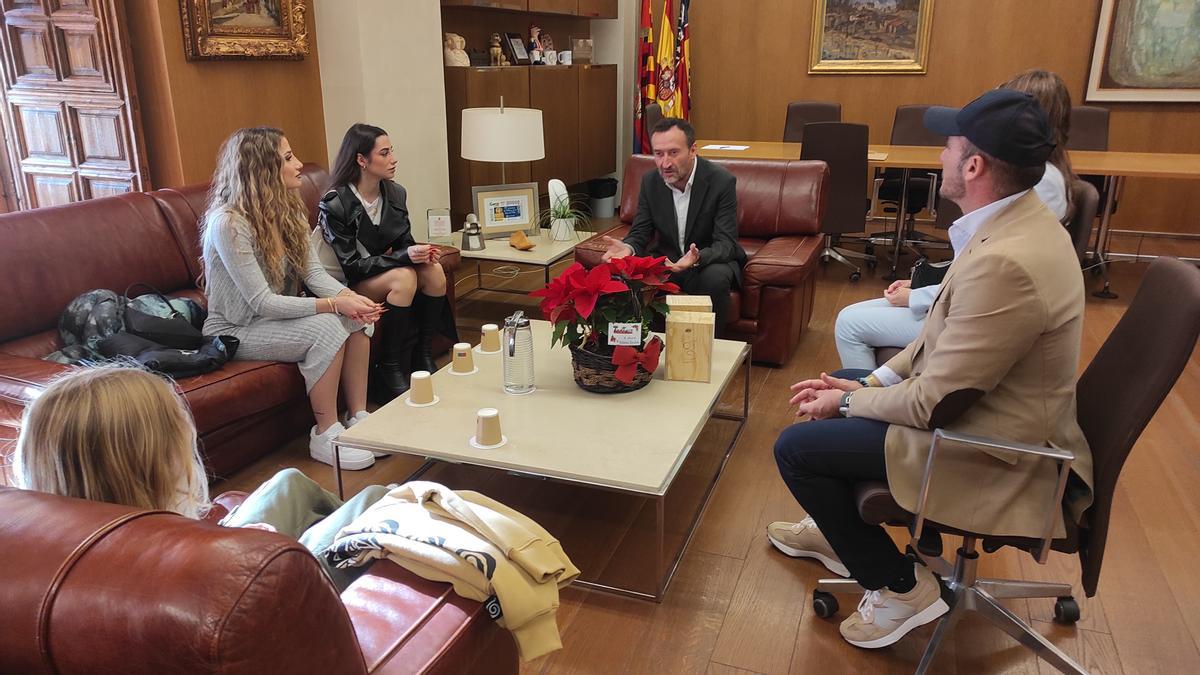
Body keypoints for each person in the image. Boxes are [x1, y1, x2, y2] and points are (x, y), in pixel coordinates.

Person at [769, 89, 1094, 650]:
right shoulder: (1010, 224)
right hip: (981, 413)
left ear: (974, 166)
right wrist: (868, 383)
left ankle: (899, 587)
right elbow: (932, 341)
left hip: (990, 446)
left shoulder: (1007, 261)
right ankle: (839, 533)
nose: (938, 156)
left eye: (947, 147)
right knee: (839, 400)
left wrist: (846, 402)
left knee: (796, 450)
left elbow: (935, 404)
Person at [14, 366, 389, 591]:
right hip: (255, 581)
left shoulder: (44, 549)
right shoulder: (171, 572)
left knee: (289, 480)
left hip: (216, 555)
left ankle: (340, 528)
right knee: (379, 497)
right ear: (153, 466)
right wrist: (254, 550)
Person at [833, 69, 1078, 370]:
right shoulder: (1039, 185)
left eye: (948, 147)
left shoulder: (1036, 193)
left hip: (968, 314)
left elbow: (989, 283)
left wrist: (917, 297)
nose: (940, 157)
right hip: (962, 302)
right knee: (857, 317)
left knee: (849, 323)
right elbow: (975, 271)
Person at [201, 126, 381, 470]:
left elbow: (313, 275)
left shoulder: (289, 211)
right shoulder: (227, 223)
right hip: (236, 329)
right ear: (262, 169)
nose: (298, 164)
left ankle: (358, 416)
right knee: (327, 326)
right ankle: (325, 433)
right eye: (287, 158)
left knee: (355, 316)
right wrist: (333, 304)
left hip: (272, 319)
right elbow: (262, 303)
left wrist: (349, 298)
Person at [319, 123, 456, 401]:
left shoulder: (395, 193)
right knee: (404, 278)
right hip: (342, 283)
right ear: (361, 160)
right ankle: (390, 367)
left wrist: (419, 253)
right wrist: (404, 257)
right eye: (384, 153)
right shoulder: (335, 203)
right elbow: (352, 266)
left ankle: (422, 354)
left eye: (391, 151)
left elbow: (404, 242)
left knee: (434, 271)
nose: (393, 158)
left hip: (375, 270)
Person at [600, 117, 746, 331]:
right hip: (667, 261)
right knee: (622, 272)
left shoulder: (721, 181)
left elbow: (726, 243)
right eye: (658, 154)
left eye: (673, 153)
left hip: (706, 262)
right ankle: (637, 349)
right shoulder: (651, 181)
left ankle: (710, 349)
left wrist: (697, 258)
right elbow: (641, 231)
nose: (665, 163)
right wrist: (628, 247)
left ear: (693, 150)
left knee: (714, 279)